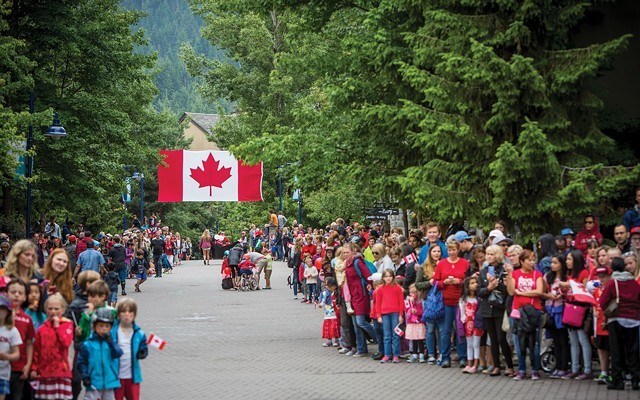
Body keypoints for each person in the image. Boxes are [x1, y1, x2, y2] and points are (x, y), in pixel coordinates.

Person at [599, 257, 640, 391]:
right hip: (634, 319)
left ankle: (617, 380)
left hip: (616, 319)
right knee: (633, 350)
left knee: (616, 350)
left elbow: (603, 301)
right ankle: (636, 380)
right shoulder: (634, 282)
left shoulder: (613, 283)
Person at [506, 249, 544, 381]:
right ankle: (521, 369)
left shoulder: (537, 274)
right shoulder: (515, 274)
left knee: (535, 343)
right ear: (522, 261)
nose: (532, 262)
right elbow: (511, 292)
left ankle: (535, 369)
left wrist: (521, 293)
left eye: (533, 260)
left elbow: (539, 291)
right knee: (518, 341)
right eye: (529, 260)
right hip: (517, 311)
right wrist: (510, 278)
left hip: (534, 311)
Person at [477, 245, 514, 376]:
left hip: (499, 307)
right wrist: (489, 287)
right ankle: (496, 366)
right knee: (492, 338)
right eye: (487, 254)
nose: (489, 256)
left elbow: (507, 292)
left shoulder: (503, 269)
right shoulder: (483, 271)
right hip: (487, 308)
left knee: (501, 338)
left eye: (492, 254)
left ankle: (509, 365)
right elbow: (479, 291)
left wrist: (497, 284)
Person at [29, 293, 74, 400]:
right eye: (50, 308)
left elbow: (66, 342)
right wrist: (34, 368)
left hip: (61, 372)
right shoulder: (41, 329)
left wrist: (57, 327)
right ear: (46, 310)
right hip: (45, 372)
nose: (53, 311)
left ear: (63, 310)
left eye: (56, 308)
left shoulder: (67, 325)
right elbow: (37, 350)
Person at [433, 240, 469, 368]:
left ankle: (463, 356)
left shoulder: (465, 263)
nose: (452, 252)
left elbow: (469, 281)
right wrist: (445, 283)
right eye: (449, 250)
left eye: (454, 250)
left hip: (460, 301)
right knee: (446, 330)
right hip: (445, 301)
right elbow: (435, 282)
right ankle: (445, 356)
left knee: (460, 329)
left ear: (458, 250)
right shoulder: (442, 264)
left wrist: (459, 281)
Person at [77, 308, 123, 400]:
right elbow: (81, 362)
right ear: (94, 326)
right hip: (93, 382)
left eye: (107, 326)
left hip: (109, 381)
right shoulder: (88, 344)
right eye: (100, 326)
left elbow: (118, 354)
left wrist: (110, 343)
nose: (104, 329)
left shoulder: (112, 342)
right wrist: (85, 376)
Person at [560, 250, 591, 380]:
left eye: (569, 259)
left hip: (580, 309)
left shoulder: (583, 273)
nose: (567, 262)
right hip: (569, 308)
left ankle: (587, 369)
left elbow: (584, 291)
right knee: (572, 340)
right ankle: (574, 368)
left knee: (583, 340)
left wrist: (570, 285)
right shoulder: (569, 274)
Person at [343, 242, 377, 357]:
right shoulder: (346, 263)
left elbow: (368, 276)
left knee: (360, 321)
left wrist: (370, 286)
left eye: (347, 252)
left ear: (353, 251)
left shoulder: (357, 261)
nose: (345, 254)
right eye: (344, 253)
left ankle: (378, 337)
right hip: (352, 296)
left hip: (360, 294)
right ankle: (362, 349)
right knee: (356, 324)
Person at [111, 298, 148, 400]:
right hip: (115, 377)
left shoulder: (139, 333)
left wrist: (142, 352)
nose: (127, 314)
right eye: (123, 311)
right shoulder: (112, 332)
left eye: (130, 311)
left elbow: (143, 347)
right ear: (118, 314)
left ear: (134, 314)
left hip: (132, 376)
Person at [543, 254, 571, 379]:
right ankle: (558, 366)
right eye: (552, 263)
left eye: (555, 262)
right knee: (555, 340)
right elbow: (543, 291)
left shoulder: (566, 277)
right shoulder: (548, 276)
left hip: (562, 309)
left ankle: (563, 367)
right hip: (550, 310)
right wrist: (549, 295)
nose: (552, 265)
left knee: (563, 340)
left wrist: (562, 295)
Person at [7, 279, 35, 399]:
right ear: (6, 294)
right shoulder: (2, 315)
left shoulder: (27, 319)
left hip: (19, 368)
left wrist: (28, 365)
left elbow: (29, 343)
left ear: (25, 297)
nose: (17, 295)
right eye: (13, 292)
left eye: (20, 293)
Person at [415, 245, 441, 364]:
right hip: (428, 300)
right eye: (434, 251)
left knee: (441, 329)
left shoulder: (443, 264)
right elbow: (418, 284)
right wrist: (429, 283)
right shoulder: (424, 267)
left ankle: (441, 352)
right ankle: (431, 354)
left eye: (438, 251)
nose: (436, 253)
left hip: (441, 300)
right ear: (430, 253)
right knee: (430, 329)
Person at [587, 266, 612, 385]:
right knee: (601, 349)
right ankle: (604, 372)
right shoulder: (596, 290)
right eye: (599, 277)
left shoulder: (610, 289)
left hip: (608, 324)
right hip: (598, 326)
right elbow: (593, 302)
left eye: (604, 277)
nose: (602, 279)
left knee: (612, 348)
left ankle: (614, 372)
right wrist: (594, 309)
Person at [374, 269, 404, 363]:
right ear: (383, 277)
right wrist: (378, 315)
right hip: (384, 314)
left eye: (390, 276)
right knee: (386, 335)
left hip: (395, 313)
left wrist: (401, 315)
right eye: (386, 276)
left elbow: (401, 302)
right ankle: (387, 355)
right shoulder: (380, 289)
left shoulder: (397, 288)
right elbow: (377, 304)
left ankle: (396, 355)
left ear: (393, 277)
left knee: (395, 335)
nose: (388, 278)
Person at [459, 276, 483, 374]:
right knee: (469, 344)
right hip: (468, 324)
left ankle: (476, 365)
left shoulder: (479, 299)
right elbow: (462, 312)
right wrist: (463, 319)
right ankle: (469, 364)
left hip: (477, 323)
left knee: (476, 344)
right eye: (472, 283)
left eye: (476, 282)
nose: (475, 285)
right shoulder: (464, 299)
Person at [0, 294, 21, 400]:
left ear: (7, 311)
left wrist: (6, 357)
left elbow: (17, 354)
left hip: (3, 373)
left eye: (2, 308)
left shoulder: (12, 330)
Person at [404, 284, 425, 363]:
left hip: (419, 322)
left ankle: (421, 354)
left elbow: (422, 311)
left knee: (420, 339)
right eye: (411, 293)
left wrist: (417, 311)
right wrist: (410, 309)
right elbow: (406, 311)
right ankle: (414, 354)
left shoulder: (420, 301)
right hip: (411, 323)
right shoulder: (408, 301)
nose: (412, 295)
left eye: (414, 293)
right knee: (413, 339)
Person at [319, 277, 340, 348]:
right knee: (328, 325)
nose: (327, 286)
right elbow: (322, 300)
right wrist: (321, 304)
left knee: (334, 325)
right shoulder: (324, 292)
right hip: (327, 312)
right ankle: (329, 340)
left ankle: (337, 339)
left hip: (334, 311)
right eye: (326, 284)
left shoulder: (335, 292)